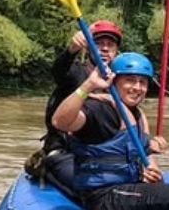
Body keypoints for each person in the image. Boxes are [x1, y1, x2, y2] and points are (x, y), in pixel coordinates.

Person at [52, 52, 169, 210]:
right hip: (104, 198)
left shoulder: (137, 115)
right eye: (130, 80)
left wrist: (152, 172)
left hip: (126, 191)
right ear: (113, 82)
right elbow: (59, 122)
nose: (137, 87)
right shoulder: (101, 110)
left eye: (142, 82)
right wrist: (88, 86)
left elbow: (145, 156)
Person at [32, 20, 125, 194]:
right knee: (89, 186)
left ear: (116, 52)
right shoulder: (74, 72)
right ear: (88, 48)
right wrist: (71, 50)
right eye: (98, 44)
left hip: (98, 153)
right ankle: (46, 168)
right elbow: (58, 70)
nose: (105, 49)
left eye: (110, 45)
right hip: (65, 150)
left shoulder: (117, 82)